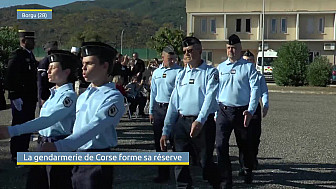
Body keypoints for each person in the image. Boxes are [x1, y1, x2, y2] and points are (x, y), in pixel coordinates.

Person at [40, 42, 125, 189]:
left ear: (105, 66)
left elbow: (95, 127)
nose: (83, 68)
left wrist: (59, 145)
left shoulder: (113, 97)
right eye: (83, 63)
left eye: (89, 63)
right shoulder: (84, 95)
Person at [0, 50, 79, 189]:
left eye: (53, 67)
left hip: (57, 146)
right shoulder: (54, 93)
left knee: (57, 183)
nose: (48, 70)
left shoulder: (69, 96)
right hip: (43, 144)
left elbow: (48, 120)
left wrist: (13, 130)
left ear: (66, 72)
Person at [160, 37, 219, 188]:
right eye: (185, 51)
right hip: (182, 122)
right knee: (180, 160)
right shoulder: (181, 74)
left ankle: (217, 184)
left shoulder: (210, 72)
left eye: (191, 51)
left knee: (205, 161)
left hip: (203, 123)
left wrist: (200, 120)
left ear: (200, 51)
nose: (187, 54)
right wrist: (166, 130)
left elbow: (209, 99)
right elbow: (173, 103)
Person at [215, 34, 259, 188]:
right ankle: (225, 180)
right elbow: (216, 91)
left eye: (233, 48)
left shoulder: (248, 67)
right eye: (228, 48)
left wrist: (251, 110)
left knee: (245, 145)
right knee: (220, 145)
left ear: (240, 49)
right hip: (223, 111)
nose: (231, 51)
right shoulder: (220, 68)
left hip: (242, 112)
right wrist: (215, 112)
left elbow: (255, 90)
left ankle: (247, 169)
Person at [149, 46, 182, 183]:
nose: (173, 61)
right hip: (159, 108)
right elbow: (153, 92)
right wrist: (151, 110)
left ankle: (179, 174)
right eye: (170, 59)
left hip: (173, 109)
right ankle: (163, 173)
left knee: (176, 143)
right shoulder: (156, 72)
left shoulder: (179, 71)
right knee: (159, 143)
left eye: (174, 58)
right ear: (163, 58)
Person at [5, 30, 38, 164]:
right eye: (31, 40)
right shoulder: (17, 55)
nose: (34, 43)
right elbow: (10, 76)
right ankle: (16, 154)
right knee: (19, 126)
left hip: (29, 97)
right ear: (23, 41)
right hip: (21, 98)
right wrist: (14, 95)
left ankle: (24, 151)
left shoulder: (30, 55)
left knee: (27, 126)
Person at [239, 50, 269, 174]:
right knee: (242, 137)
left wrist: (265, 104)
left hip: (254, 109)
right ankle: (243, 165)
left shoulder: (259, 76)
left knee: (255, 137)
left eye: (250, 60)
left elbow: (264, 92)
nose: (248, 63)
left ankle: (253, 157)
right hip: (242, 109)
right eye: (246, 60)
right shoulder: (239, 75)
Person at [38, 41, 58, 108]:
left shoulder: (55, 61)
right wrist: (43, 97)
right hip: (46, 93)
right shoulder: (44, 62)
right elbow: (41, 82)